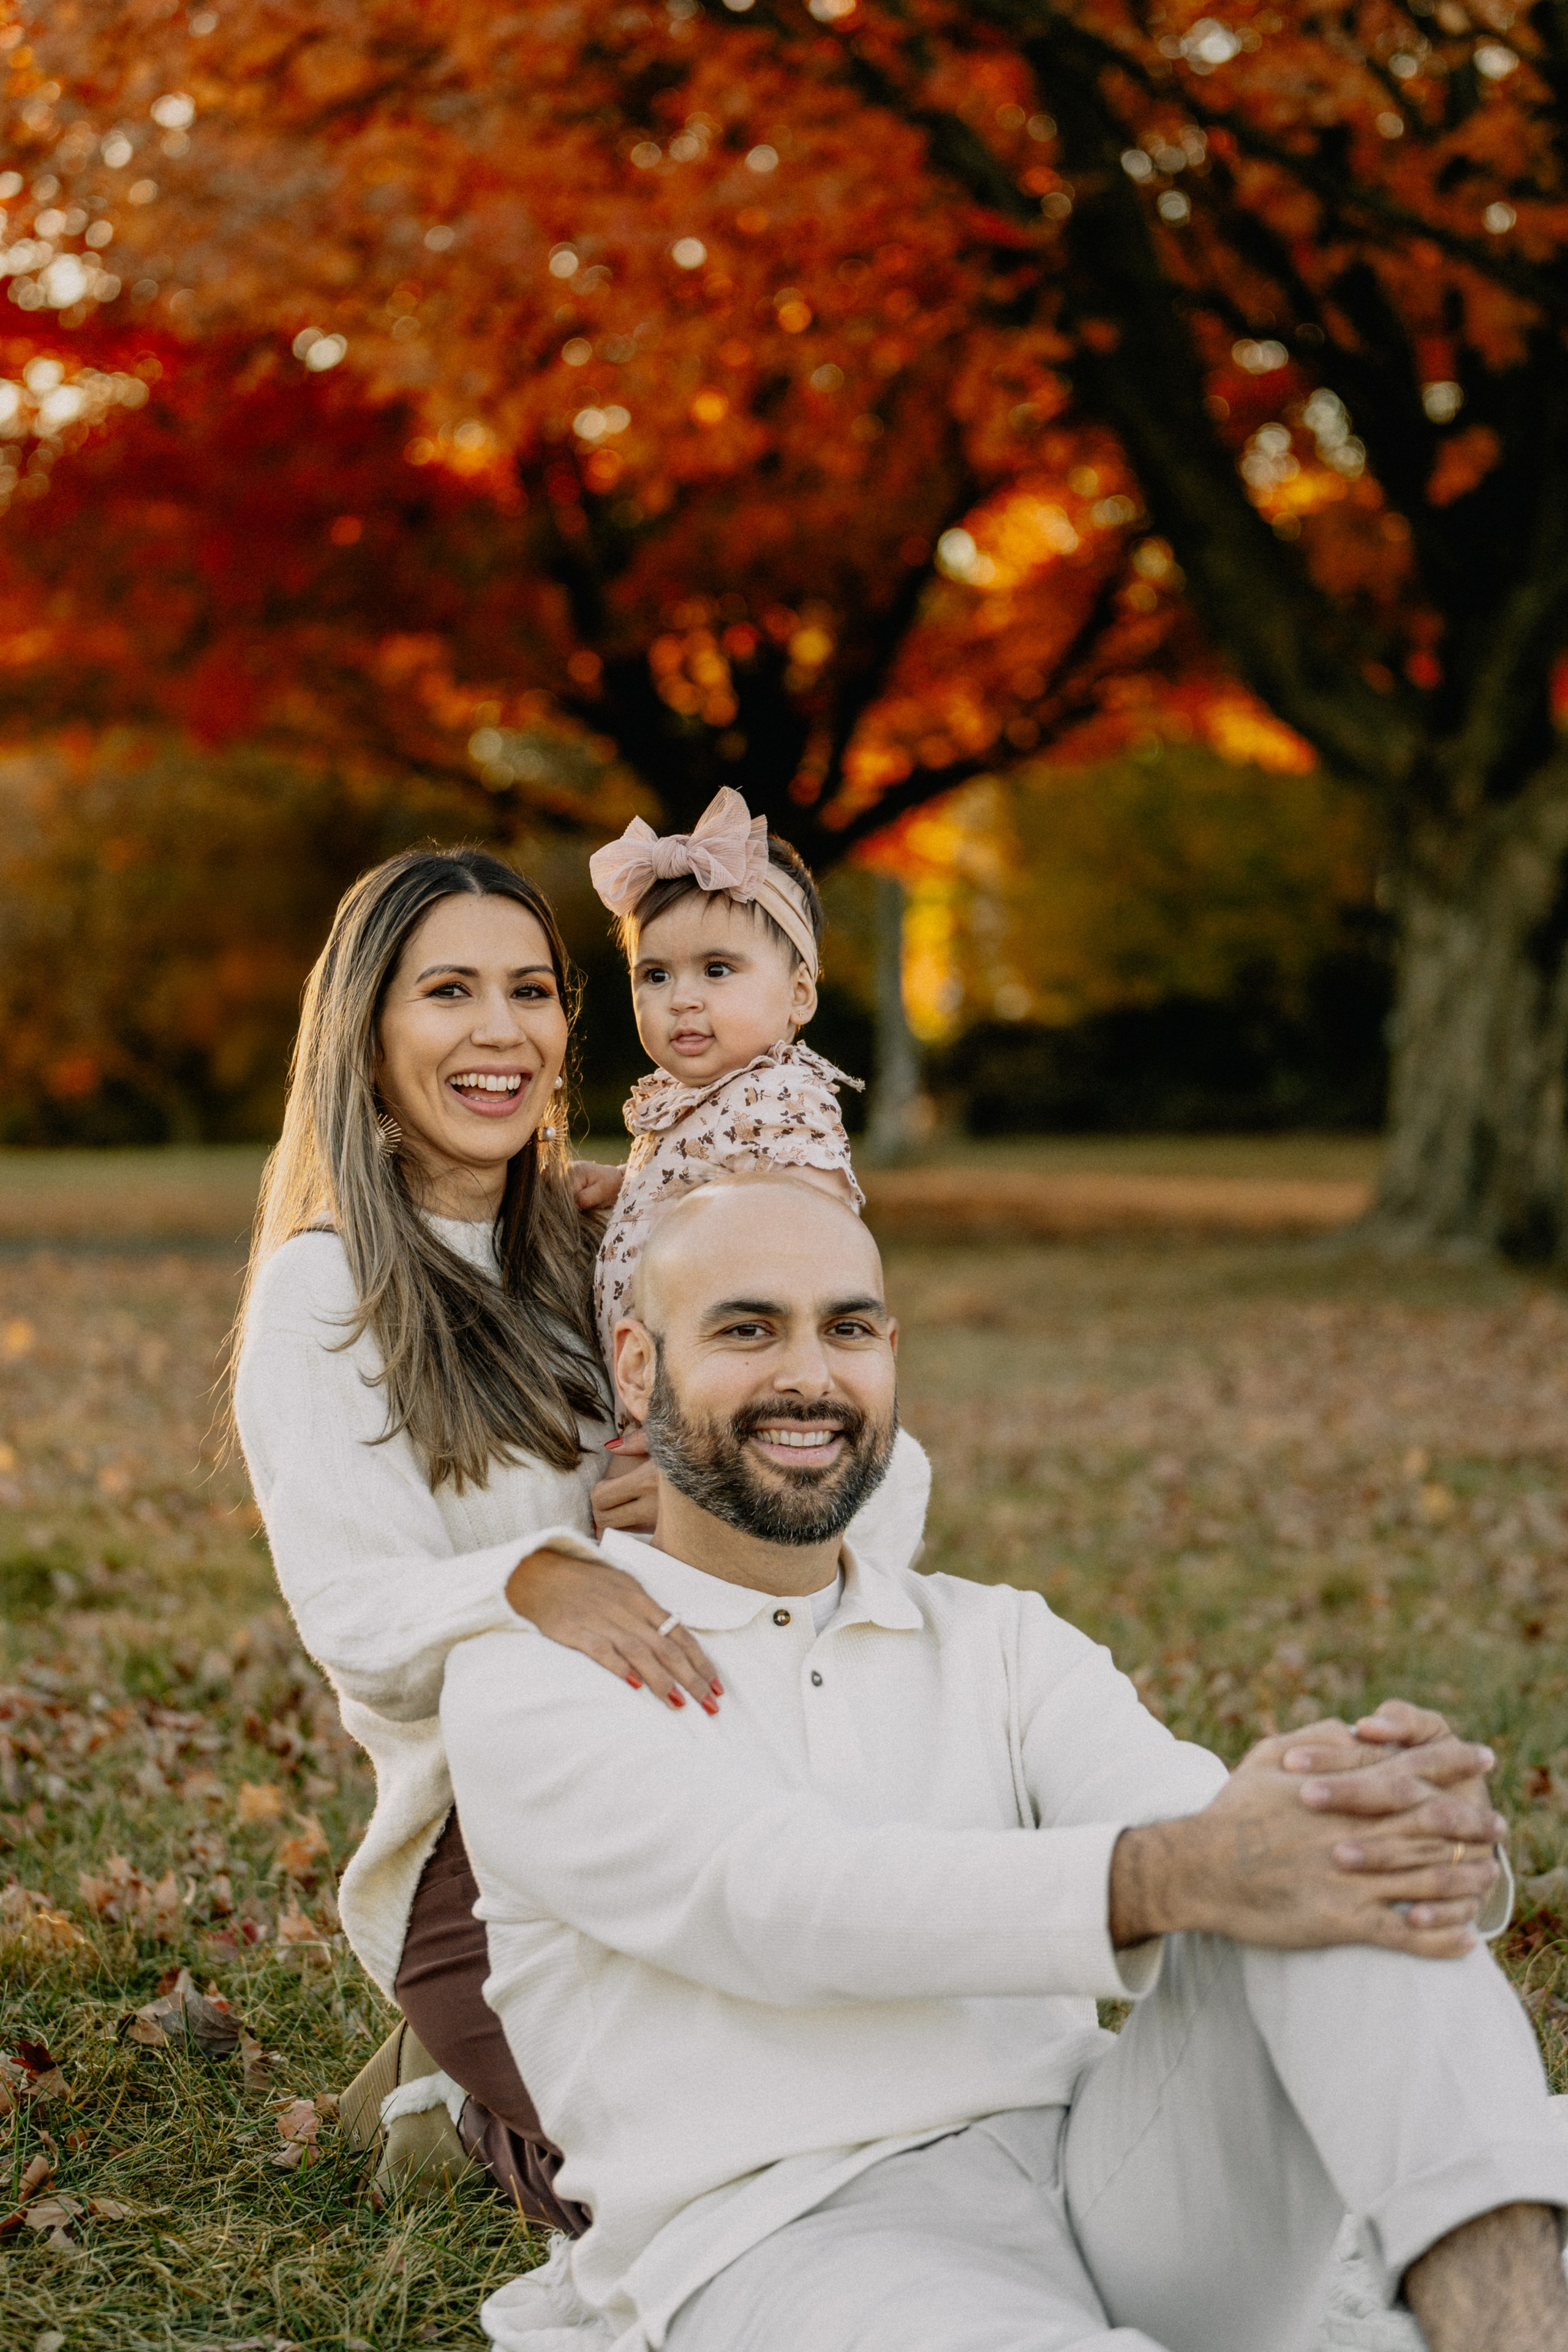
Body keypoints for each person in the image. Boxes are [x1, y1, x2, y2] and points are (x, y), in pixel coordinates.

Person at [442, 1180, 1568, 2352]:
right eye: (746, 1327)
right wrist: (1189, 1867)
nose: (809, 1377)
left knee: (1335, 1879)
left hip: (1110, 2182)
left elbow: (1193, 1819)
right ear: (637, 1365)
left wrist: (1370, 1815)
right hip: (791, 2243)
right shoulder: (531, 1677)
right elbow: (780, 1903)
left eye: (849, 1327)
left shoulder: (995, 1635)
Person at [232, 845, 739, 2224]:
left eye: (529, 989)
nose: (498, 1031)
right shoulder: (324, 1295)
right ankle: (458, 2099)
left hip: (694, 1774)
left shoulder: (595, 1255)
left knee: (839, 2095)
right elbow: (350, 1609)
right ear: (367, 1030)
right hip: (485, 1848)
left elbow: (789, 1448)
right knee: (694, 2188)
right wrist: (533, 1576)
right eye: (446, 990)